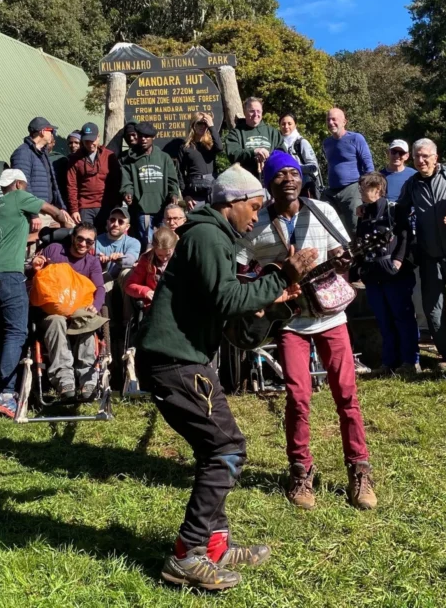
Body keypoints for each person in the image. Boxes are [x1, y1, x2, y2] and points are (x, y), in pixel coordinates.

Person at [136, 163, 316, 591]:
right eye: (253, 207)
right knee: (226, 449)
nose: (257, 215)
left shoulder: (211, 236)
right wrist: (282, 278)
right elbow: (226, 297)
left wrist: (277, 297)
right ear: (231, 203)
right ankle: (187, 554)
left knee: (216, 448)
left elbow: (230, 309)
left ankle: (214, 545)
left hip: (186, 359)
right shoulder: (206, 234)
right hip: (175, 362)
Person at [238, 150, 377, 512]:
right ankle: (300, 472)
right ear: (269, 183)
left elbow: (340, 255)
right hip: (288, 320)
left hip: (331, 317)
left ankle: (359, 471)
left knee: (346, 393)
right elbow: (240, 268)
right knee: (298, 398)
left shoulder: (323, 211)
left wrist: (344, 261)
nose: (289, 178)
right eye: (280, 174)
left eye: (293, 172)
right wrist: (265, 290)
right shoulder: (259, 225)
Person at [0, 168, 67, 418]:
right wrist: (65, 225)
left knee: (3, 334)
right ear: (19, 184)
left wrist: (34, 235)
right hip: (8, 273)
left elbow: (11, 238)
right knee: (17, 332)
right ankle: (7, 394)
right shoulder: (19, 197)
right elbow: (52, 210)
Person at [396, 139, 446, 369]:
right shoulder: (412, 184)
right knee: (433, 309)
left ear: (435, 157)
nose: (421, 161)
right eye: (416, 157)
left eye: (425, 156)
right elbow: (400, 211)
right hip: (429, 254)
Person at [32, 222, 105, 400]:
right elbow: (34, 273)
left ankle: (88, 378)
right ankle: (64, 380)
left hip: (78, 311)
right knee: (56, 320)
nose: (83, 244)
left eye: (89, 242)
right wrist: (36, 264)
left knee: (87, 319)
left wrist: (95, 305)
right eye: (80, 239)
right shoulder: (54, 250)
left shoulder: (92, 262)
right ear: (72, 237)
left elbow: (100, 288)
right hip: (52, 312)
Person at [356, 172, 418, 374]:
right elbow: (360, 241)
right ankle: (388, 362)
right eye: (361, 189)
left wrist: (398, 261)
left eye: (366, 188)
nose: (362, 192)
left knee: (402, 316)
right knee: (383, 319)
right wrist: (359, 268)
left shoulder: (395, 210)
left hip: (394, 273)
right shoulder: (363, 214)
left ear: (379, 190)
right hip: (373, 274)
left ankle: (410, 361)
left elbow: (405, 235)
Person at [120, 122, 180, 247]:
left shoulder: (164, 158)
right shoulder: (130, 160)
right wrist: (128, 193)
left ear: (153, 137)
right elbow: (126, 181)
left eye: (147, 137)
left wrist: (173, 194)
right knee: (148, 244)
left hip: (162, 209)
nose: (143, 139)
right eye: (141, 136)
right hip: (143, 209)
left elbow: (172, 180)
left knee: (164, 242)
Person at [321, 107, 374, 236]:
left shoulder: (356, 138)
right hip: (332, 191)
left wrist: (369, 190)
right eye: (328, 120)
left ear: (344, 122)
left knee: (355, 226)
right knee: (322, 218)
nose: (331, 123)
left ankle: (359, 253)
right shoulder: (327, 143)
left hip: (352, 188)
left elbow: (368, 164)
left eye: (334, 119)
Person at [10, 117, 69, 219]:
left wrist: (61, 207)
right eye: (50, 131)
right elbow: (23, 186)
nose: (52, 134)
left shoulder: (43, 153)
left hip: (49, 210)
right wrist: (33, 214)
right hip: (36, 213)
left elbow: (53, 183)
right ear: (42, 131)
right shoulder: (23, 153)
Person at [65, 122, 121, 226]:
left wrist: (116, 205)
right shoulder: (74, 159)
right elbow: (71, 186)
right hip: (85, 207)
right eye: (87, 141)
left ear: (98, 137)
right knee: (87, 237)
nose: (90, 144)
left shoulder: (109, 156)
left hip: (106, 205)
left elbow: (116, 182)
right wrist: (74, 209)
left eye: (93, 140)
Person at [225, 97, 284, 178]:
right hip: (245, 180)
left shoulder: (273, 132)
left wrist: (268, 157)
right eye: (252, 111)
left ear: (262, 112)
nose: (256, 114)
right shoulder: (235, 133)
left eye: (258, 111)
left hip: (271, 180)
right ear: (245, 112)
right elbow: (233, 154)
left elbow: (283, 154)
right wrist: (254, 152)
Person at [125, 226, 178, 311]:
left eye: (168, 255)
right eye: (160, 255)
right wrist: (145, 291)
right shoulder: (146, 260)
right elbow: (129, 286)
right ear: (154, 249)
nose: (164, 259)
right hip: (154, 304)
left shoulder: (181, 258)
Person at [178, 112, 223, 209]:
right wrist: (185, 195)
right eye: (199, 123)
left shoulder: (210, 144)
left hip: (212, 186)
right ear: (193, 125)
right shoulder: (186, 147)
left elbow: (219, 147)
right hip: (195, 189)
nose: (202, 126)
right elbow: (180, 173)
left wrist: (211, 126)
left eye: (205, 124)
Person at [95, 206, 141, 287]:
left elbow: (131, 259)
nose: (115, 224)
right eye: (112, 220)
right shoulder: (96, 241)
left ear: (127, 227)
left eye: (120, 222)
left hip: (122, 282)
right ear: (107, 222)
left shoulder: (134, 242)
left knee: (127, 272)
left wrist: (120, 259)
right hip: (102, 282)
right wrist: (100, 259)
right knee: (104, 276)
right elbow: (92, 256)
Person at [279, 112, 321, 199]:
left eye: (289, 124)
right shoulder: (278, 144)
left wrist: (294, 168)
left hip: (305, 188)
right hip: (287, 189)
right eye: (283, 124)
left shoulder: (301, 143)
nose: (286, 127)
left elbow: (314, 167)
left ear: (295, 125)